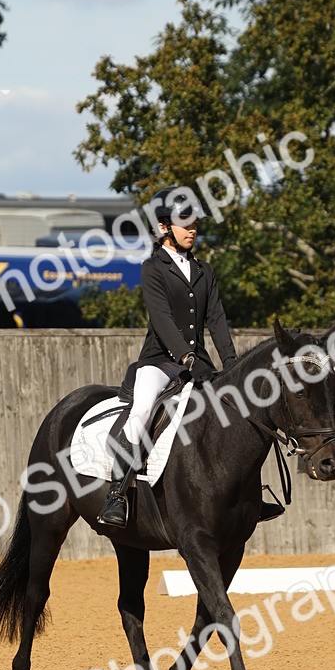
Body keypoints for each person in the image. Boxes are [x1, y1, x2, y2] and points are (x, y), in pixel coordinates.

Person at [97, 186, 238, 528]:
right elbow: (161, 319)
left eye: (195, 223)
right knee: (144, 408)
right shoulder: (152, 268)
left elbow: (216, 318)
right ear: (164, 227)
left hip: (197, 362)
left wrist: (232, 363)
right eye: (184, 222)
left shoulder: (204, 271)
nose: (193, 229)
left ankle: (242, 493)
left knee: (233, 412)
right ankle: (118, 491)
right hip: (160, 361)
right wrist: (185, 356)